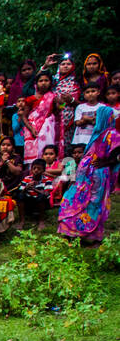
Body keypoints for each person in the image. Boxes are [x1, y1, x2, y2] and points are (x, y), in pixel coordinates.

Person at [58, 99, 119, 244]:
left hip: (97, 174)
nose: (95, 119)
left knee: (94, 202)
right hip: (85, 175)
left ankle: (93, 237)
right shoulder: (99, 132)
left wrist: (107, 162)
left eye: (98, 117)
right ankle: (72, 232)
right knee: (76, 199)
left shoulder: (113, 134)